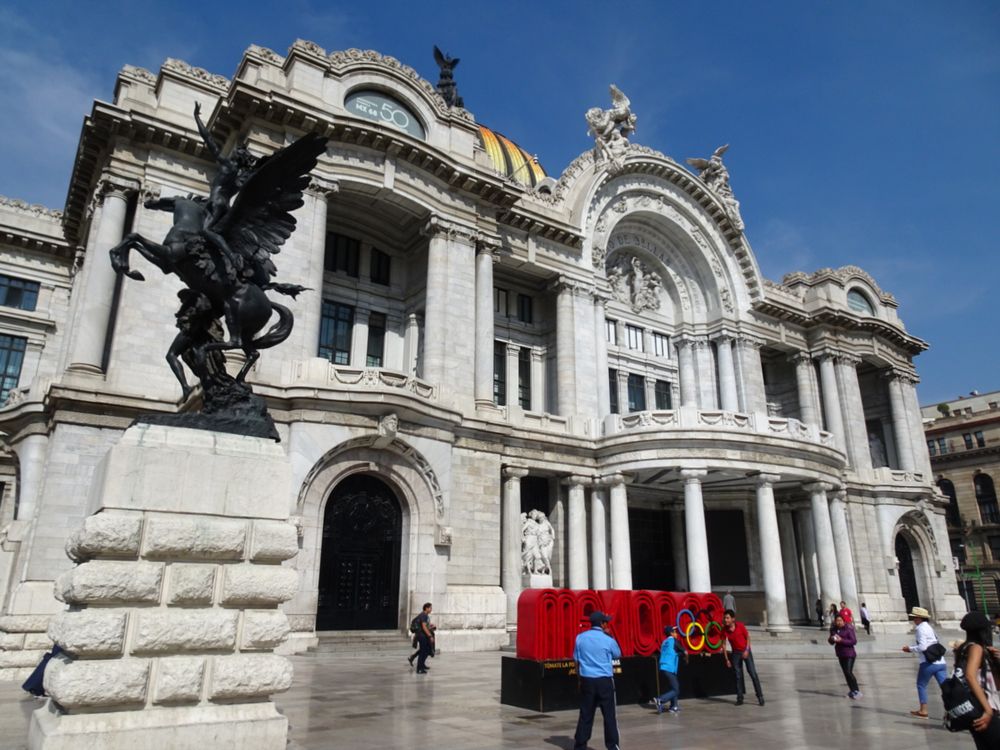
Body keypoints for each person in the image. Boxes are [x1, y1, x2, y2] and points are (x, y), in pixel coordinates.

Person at [573, 611, 622, 750]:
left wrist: (579, 679)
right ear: (602, 624)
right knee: (609, 715)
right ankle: (612, 746)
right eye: (606, 622)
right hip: (604, 680)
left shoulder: (580, 638)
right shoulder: (608, 639)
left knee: (586, 714)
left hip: (587, 679)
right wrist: (609, 636)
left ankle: (580, 745)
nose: (607, 624)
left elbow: (576, 661)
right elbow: (617, 654)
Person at [954, 611, 1000, 748]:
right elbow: (970, 676)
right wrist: (988, 710)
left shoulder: (963, 648)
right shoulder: (976, 648)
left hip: (973, 708)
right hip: (985, 707)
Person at [901, 605, 946, 718]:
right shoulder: (930, 628)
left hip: (928, 662)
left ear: (920, 618)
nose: (914, 620)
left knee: (921, 685)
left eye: (915, 618)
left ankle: (923, 710)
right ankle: (953, 708)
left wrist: (909, 649)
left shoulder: (920, 629)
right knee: (946, 687)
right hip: (941, 662)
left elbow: (923, 647)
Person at [722, 609, 764, 706]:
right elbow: (723, 645)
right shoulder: (724, 630)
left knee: (753, 673)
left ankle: (760, 696)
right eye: (725, 618)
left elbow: (748, 637)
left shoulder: (740, 626)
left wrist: (747, 650)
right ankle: (739, 698)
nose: (725, 620)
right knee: (738, 676)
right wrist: (727, 659)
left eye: (727, 618)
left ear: (733, 619)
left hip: (745, 651)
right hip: (736, 654)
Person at [651, 625, 687, 714]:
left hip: (663, 667)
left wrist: (678, 654)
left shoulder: (664, 642)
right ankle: (660, 700)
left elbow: (672, 652)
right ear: (671, 633)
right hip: (669, 667)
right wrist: (687, 657)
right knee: (676, 689)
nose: (677, 634)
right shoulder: (674, 641)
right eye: (675, 632)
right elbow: (685, 651)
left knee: (673, 687)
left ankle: (673, 706)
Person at [828, 613, 861, 699]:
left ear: (843, 621)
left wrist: (841, 640)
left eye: (840, 620)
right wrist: (831, 639)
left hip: (849, 654)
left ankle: (857, 691)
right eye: (837, 621)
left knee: (849, 672)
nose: (838, 622)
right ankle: (852, 691)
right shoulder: (834, 629)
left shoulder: (849, 628)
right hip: (840, 654)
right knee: (845, 673)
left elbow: (853, 641)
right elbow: (831, 642)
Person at [413, 602, 435, 674]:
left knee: (425, 650)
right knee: (423, 652)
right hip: (422, 636)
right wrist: (430, 636)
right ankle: (419, 668)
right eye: (430, 608)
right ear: (426, 608)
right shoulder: (424, 615)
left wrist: (431, 627)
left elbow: (425, 626)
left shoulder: (424, 615)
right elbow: (424, 627)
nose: (431, 609)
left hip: (421, 635)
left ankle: (422, 665)